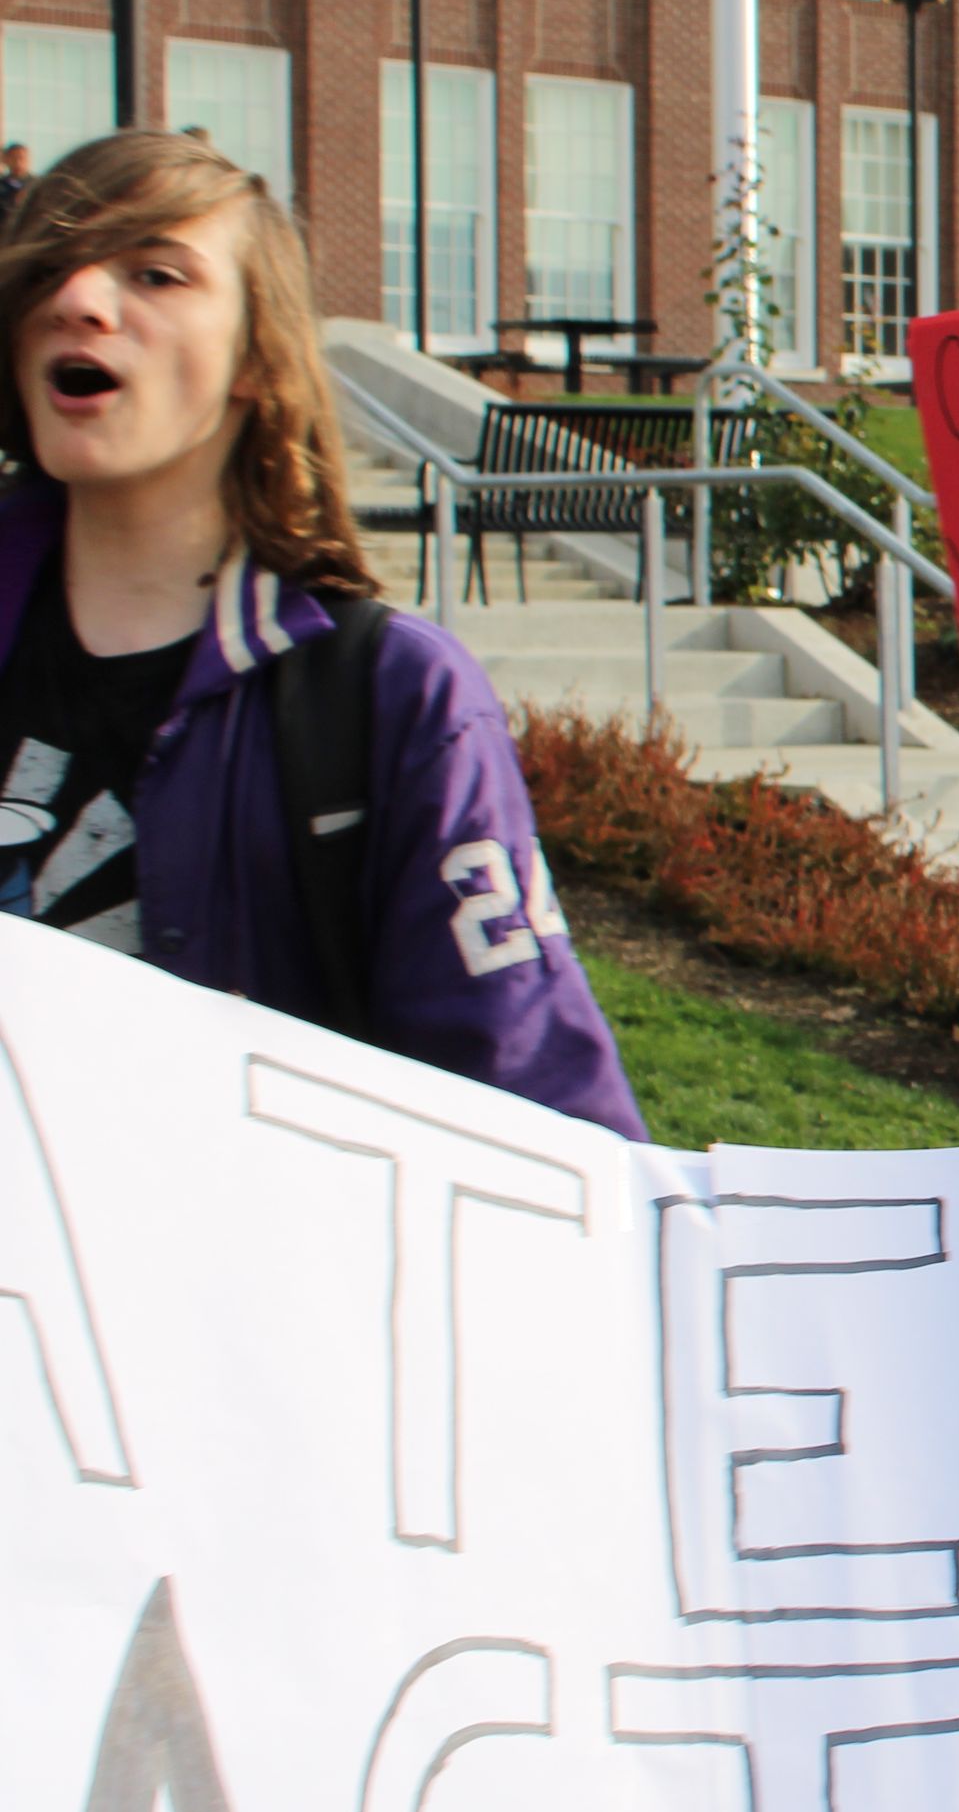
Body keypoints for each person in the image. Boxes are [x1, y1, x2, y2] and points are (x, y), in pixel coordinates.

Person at [0, 129, 640, 1136]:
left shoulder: (392, 700)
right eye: (49, 267)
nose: (77, 299)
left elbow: (543, 1123)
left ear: (257, 358)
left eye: (156, 274)